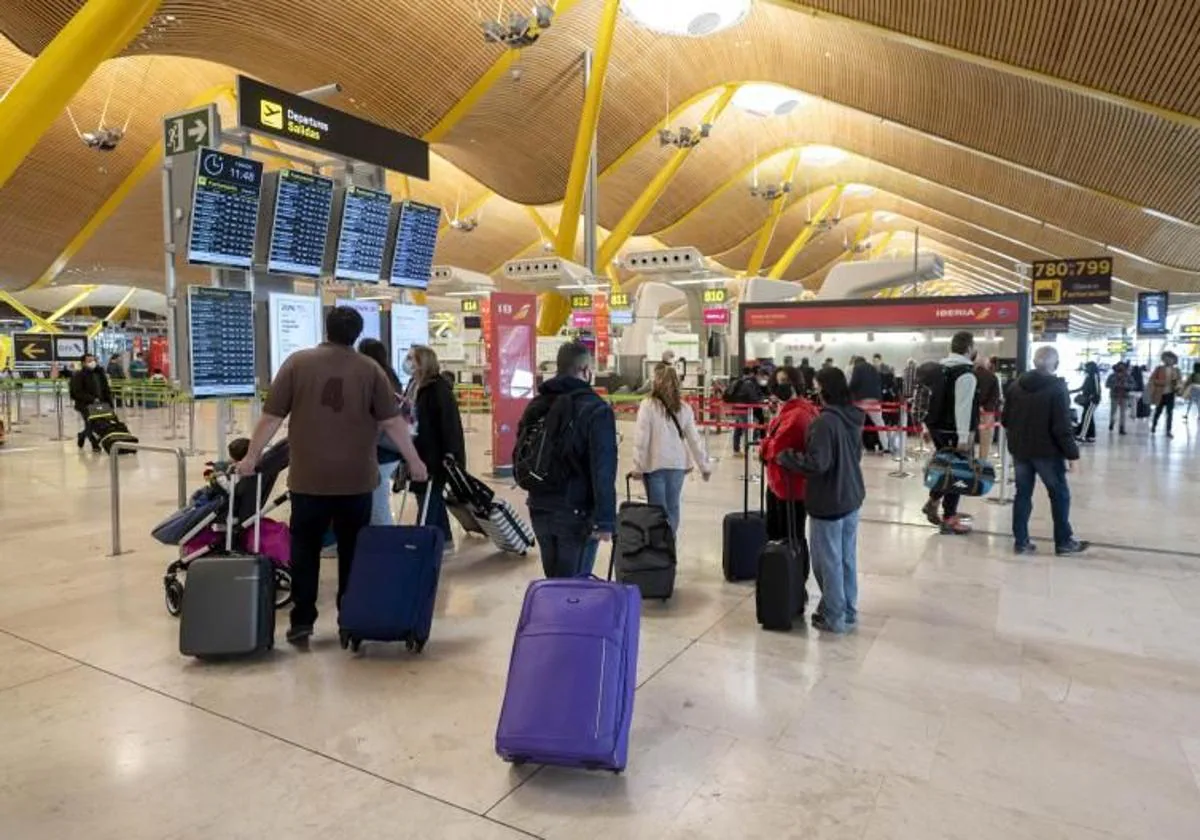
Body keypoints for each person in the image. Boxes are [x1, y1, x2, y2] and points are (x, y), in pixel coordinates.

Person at [237, 306, 428, 647]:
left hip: (308, 480)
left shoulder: (297, 363)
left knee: (305, 549)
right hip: (356, 481)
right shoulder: (370, 369)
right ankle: (348, 620)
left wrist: (252, 457)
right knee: (353, 551)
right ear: (356, 334)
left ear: (326, 329)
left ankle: (302, 621)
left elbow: (271, 417)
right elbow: (391, 423)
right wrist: (414, 460)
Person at [518, 341, 617, 578]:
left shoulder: (538, 403)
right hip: (576, 511)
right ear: (585, 370)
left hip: (539, 505)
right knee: (574, 590)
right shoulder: (595, 409)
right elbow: (602, 467)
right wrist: (605, 520)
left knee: (554, 583)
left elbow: (522, 450)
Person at [777, 367, 865, 634]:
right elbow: (856, 455)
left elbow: (818, 463)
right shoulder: (854, 416)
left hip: (829, 501)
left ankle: (833, 615)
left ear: (824, 390)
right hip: (851, 496)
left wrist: (788, 457)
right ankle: (848, 610)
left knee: (828, 562)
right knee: (847, 558)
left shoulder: (824, 422)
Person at [1002, 347, 1088, 556]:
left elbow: (1005, 420)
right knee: (1059, 494)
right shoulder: (1057, 388)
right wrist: (1072, 455)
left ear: (1034, 362)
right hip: (1047, 453)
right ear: (1055, 364)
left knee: (1022, 494)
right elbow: (1062, 426)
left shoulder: (1015, 386)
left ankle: (1021, 542)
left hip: (1020, 450)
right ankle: (1064, 542)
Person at [631, 364, 710, 534]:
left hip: (654, 465)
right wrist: (704, 466)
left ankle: (659, 550)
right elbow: (694, 440)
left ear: (656, 382)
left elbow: (641, 439)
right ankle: (669, 547)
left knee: (657, 512)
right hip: (677, 465)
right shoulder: (685, 408)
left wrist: (638, 466)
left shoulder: (648, 405)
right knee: (673, 508)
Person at [759, 366, 818, 591]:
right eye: (778, 381)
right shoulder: (789, 410)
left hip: (790, 486)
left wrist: (764, 447)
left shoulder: (799, 414)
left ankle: (793, 582)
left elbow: (776, 447)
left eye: (785, 381)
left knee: (791, 536)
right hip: (780, 483)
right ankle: (786, 579)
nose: (779, 386)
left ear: (796, 383)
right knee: (783, 535)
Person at [402, 344, 465, 546]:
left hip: (434, 453)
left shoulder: (438, 389)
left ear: (423, 362)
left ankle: (429, 538)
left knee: (429, 494)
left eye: (412, 358)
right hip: (418, 449)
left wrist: (450, 452)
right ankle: (442, 537)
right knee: (427, 495)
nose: (408, 362)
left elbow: (449, 423)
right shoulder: (414, 385)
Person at [921, 331, 979, 535]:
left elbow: (926, 401)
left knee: (945, 468)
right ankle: (949, 518)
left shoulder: (938, 369)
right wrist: (964, 437)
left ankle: (934, 501)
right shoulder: (966, 374)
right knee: (958, 472)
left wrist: (925, 427)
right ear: (970, 348)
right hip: (955, 431)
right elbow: (962, 408)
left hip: (937, 427)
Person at [357, 338, 405, 526]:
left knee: (377, 503)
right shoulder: (390, 376)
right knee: (375, 500)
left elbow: (382, 419)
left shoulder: (376, 379)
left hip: (379, 450)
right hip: (389, 448)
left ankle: (385, 542)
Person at [68, 353, 113, 452]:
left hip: (100, 403)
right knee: (90, 424)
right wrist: (92, 399)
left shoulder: (100, 373)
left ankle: (82, 435)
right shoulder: (78, 375)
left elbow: (106, 389)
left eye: (93, 360)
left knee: (102, 424)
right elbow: (76, 392)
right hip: (85, 405)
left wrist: (110, 402)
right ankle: (94, 443)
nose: (92, 362)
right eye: (89, 361)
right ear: (83, 363)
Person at [724, 365, 767, 455]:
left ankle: (736, 450)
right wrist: (762, 400)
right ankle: (748, 449)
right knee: (750, 427)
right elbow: (753, 398)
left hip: (738, 407)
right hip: (743, 409)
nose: (762, 378)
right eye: (761, 376)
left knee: (738, 428)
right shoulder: (749, 383)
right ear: (757, 375)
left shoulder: (744, 381)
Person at [849, 356, 886, 453]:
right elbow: (879, 381)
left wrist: (848, 392)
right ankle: (886, 446)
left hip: (861, 400)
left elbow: (854, 383)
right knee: (880, 423)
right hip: (875, 399)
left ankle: (858, 447)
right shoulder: (873, 367)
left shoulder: (857, 368)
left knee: (857, 424)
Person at [1148, 351, 1182, 438]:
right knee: (1158, 411)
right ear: (1163, 359)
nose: (1169, 360)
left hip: (1171, 394)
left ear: (1174, 360)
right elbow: (1152, 380)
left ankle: (1168, 430)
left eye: (1171, 358)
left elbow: (1180, 381)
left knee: (1170, 413)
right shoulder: (1159, 369)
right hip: (1160, 394)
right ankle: (1154, 426)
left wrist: (1177, 385)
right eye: (1166, 358)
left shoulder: (1176, 370)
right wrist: (1163, 382)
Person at [974, 356, 1001, 460]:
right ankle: (982, 462)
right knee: (985, 441)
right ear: (987, 364)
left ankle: (968, 463)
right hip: (987, 413)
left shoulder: (971, 375)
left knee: (969, 439)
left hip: (972, 411)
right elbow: (995, 396)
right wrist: (985, 408)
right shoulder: (992, 377)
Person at [1071, 361, 1102, 443]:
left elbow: (1097, 388)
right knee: (1088, 417)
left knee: (1087, 418)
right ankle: (1091, 436)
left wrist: (1094, 397)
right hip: (1088, 400)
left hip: (1093, 400)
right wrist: (1071, 391)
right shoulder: (1088, 376)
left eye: (1087, 367)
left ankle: (1082, 435)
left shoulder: (1094, 375)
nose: (1086, 369)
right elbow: (1082, 387)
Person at [1106, 361, 1135, 435]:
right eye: (1119, 367)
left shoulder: (1128, 376)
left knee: (1123, 413)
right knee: (1113, 412)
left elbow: (1133, 385)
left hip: (1124, 396)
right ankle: (1112, 422)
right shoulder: (1112, 376)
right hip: (1114, 396)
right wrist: (1114, 385)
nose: (1121, 369)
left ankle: (1122, 428)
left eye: (1122, 367)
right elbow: (1107, 384)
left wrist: (1126, 385)